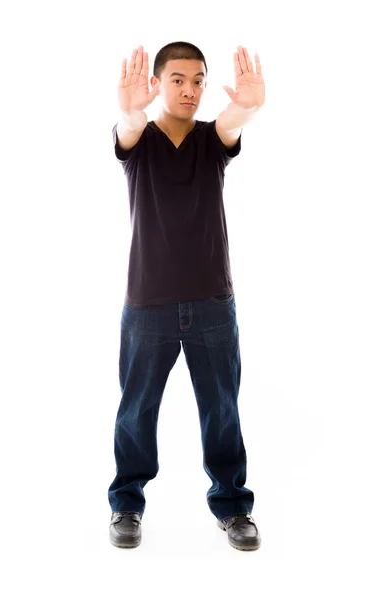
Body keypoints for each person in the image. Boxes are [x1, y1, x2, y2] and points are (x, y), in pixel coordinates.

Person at [108, 41, 265, 551]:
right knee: (136, 411)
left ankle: (233, 506)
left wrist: (247, 105)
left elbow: (232, 122)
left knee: (222, 409)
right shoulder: (139, 140)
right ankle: (126, 504)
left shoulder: (210, 140)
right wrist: (130, 111)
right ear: (158, 83)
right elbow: (128, 128)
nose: (190, 89)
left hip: (212, 303)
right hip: (147, 302)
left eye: (198, 80)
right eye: (178, 79)